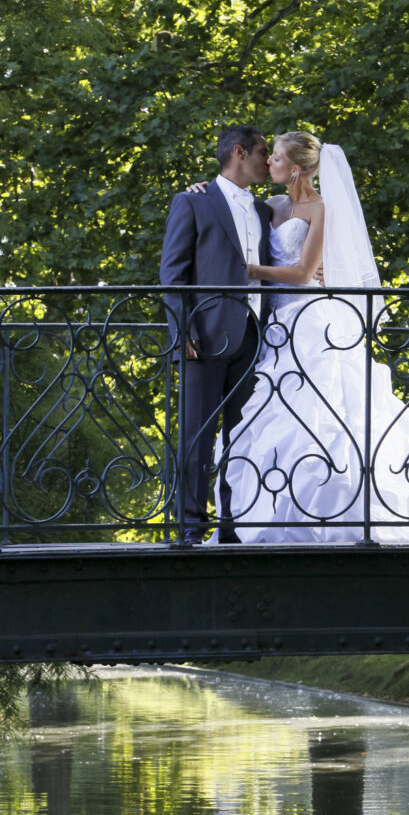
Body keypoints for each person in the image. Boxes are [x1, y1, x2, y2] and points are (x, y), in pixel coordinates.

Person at [193, 132, 409, 544]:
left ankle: (330, 513)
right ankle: (266, 515)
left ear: (296, 168)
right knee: (268, 419)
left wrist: (249, 271)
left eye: (277, 158)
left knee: (324, 416)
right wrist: (203, 190)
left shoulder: (319, 208)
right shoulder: (269, 206)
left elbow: (303, 273)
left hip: (311, 321)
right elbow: (231, 208)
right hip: (274, 326)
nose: (269, 162)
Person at [159, 124, 273, 543]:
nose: (268, 161)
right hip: (203, 337)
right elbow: (172, 274)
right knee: (197, 434)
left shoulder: (265, 211)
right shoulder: (193, 201)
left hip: (255, 336)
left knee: (241, 434)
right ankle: (190, 527)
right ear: (239, 152)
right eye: (262, 152)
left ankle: (232, 524)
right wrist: (183, 330)